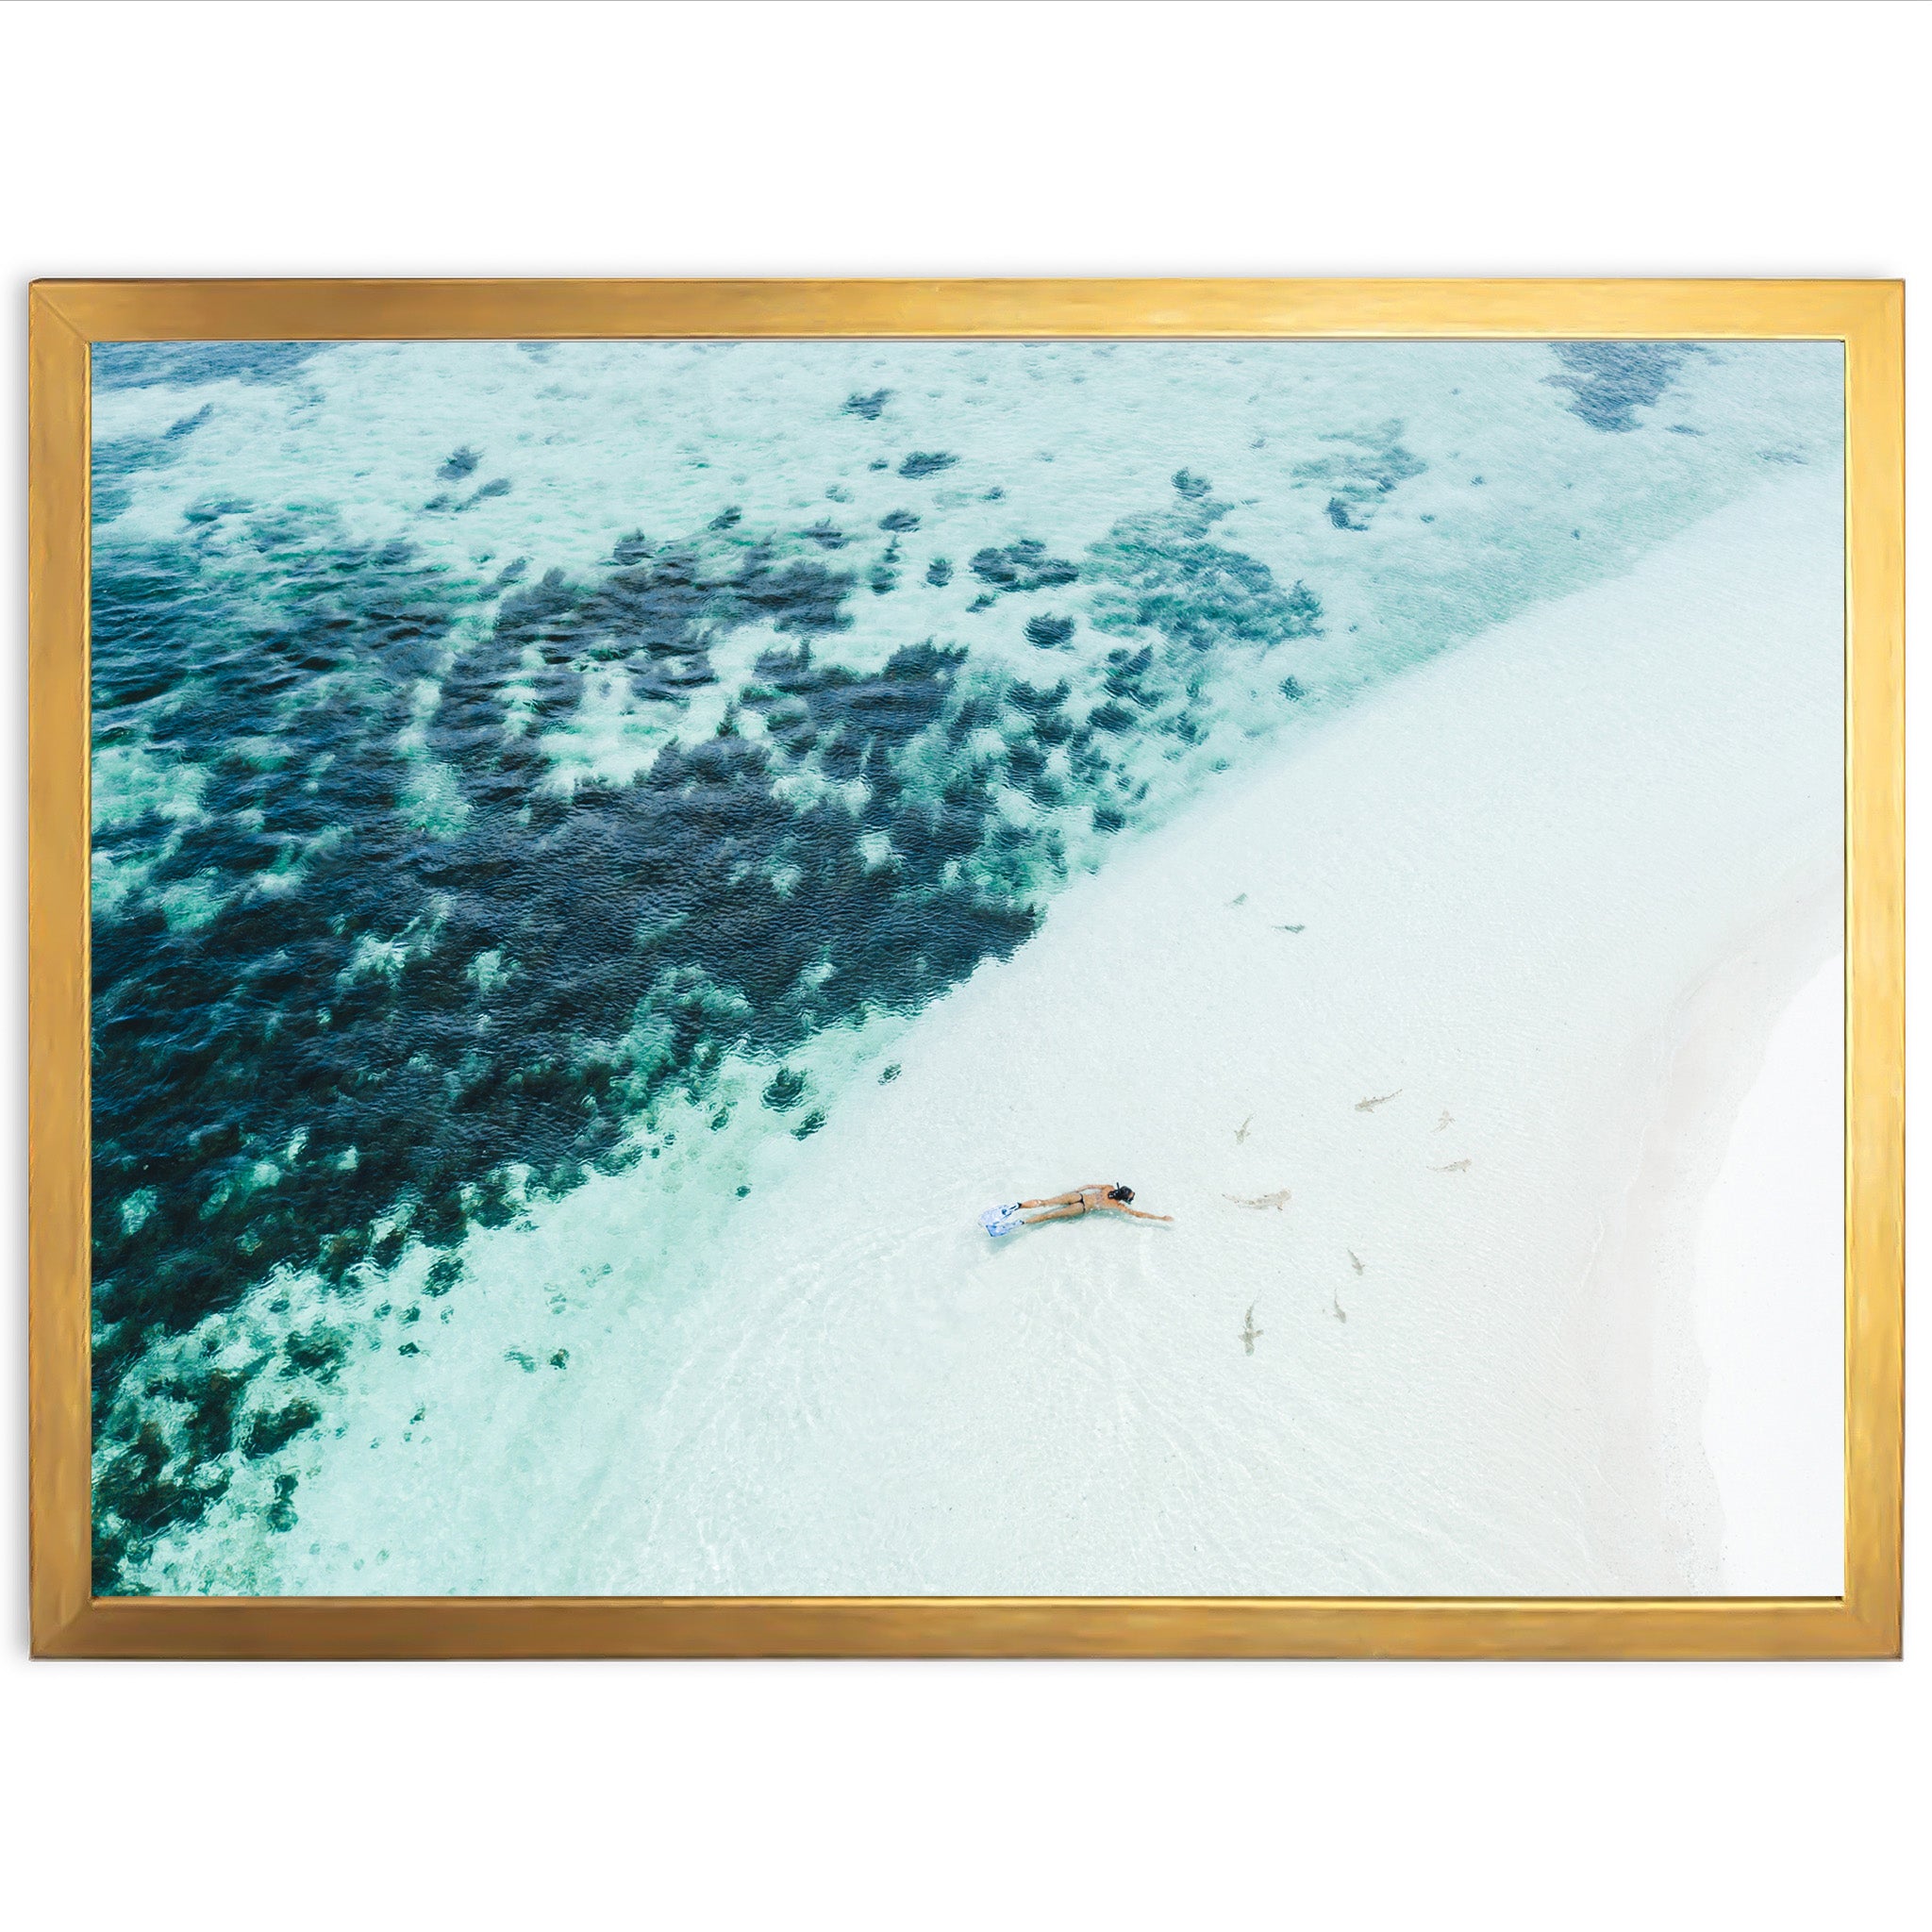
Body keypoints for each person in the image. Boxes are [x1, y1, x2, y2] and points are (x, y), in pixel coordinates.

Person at [1017, 1182, 1173, 1226]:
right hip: (1081, 1208)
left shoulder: (1108, 1187)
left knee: (1044, 1203)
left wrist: (1077, 1190)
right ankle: (1021, 1222)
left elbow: (1089, 1186)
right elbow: (1139, 1214)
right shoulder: (1118, 1206)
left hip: (1077, 1196)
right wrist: (1160, 1218)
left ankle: (1019, 1206)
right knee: (1048, 1216)